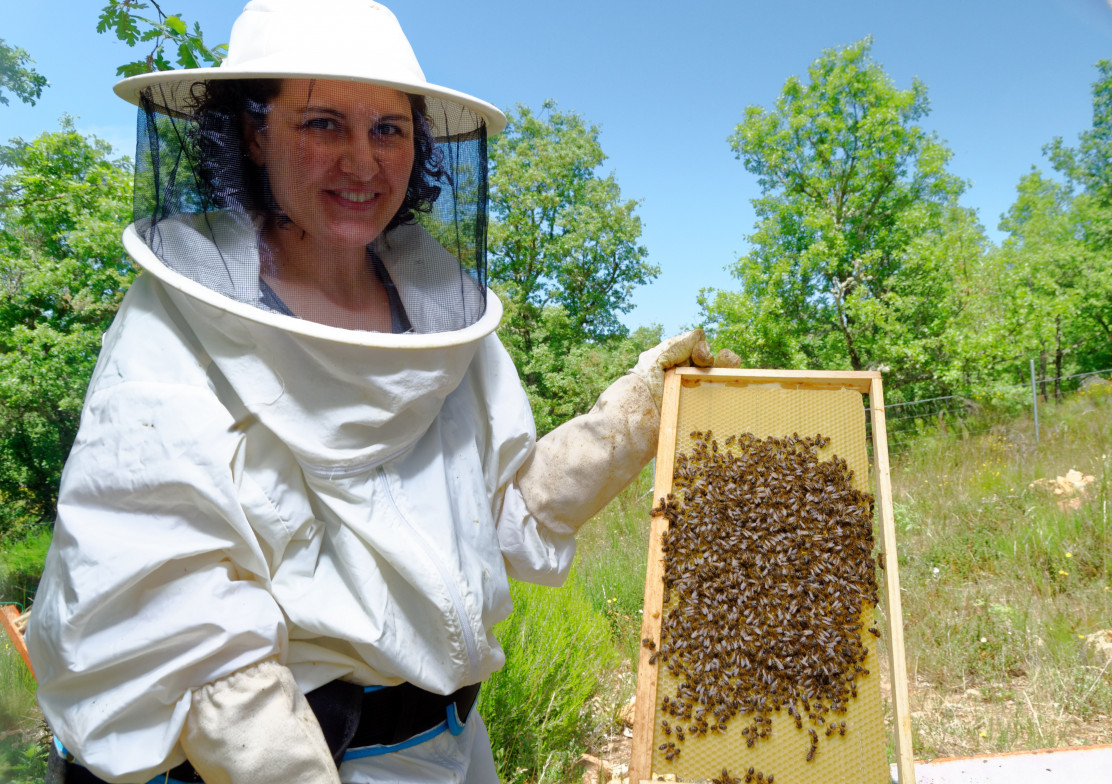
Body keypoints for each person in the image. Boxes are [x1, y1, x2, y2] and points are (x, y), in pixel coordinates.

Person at [26, 2, 737, 783]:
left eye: (388, 130)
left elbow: (498, 516)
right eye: (323, 124)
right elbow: (177, 613)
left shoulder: (442, 311)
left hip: (447, 749)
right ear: (255, 133)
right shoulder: (178, 321)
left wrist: (629, 419)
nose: (363, 162)